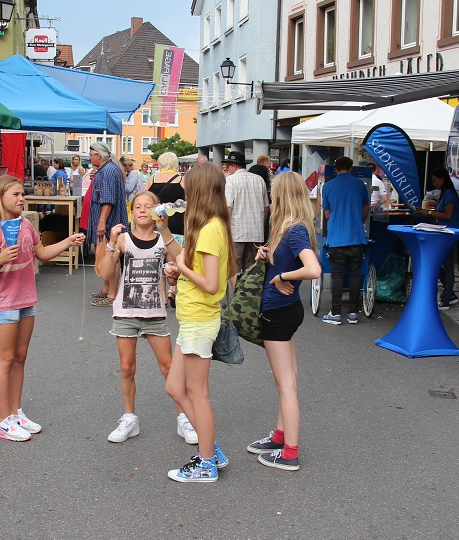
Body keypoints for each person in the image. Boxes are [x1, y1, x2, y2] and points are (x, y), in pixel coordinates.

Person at [0, 176, 86, 442]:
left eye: (21, 194)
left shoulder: (25, 225)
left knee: (20, 357)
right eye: (15, 195)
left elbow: (43, 253)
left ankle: (15, 412)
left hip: (26, 300)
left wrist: (68, 242)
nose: (21, 198)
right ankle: (2, 420)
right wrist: (0, 261)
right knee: (4, 359)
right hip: (3, 303)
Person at [101, 191, 197, 444]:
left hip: (155, 313)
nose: (143, 210)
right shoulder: (123, 240)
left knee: (169, 368)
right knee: (126, 367)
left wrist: (165, 232)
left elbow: (180, 259)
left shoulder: (162, 241)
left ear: (156, 211)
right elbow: (105, 272)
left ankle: (184, 418)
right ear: (132, 213)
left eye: (148, 206)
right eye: (138, 207)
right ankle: (129, 418)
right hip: (126, 312)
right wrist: (111, 243)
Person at [163, 162, 235, 483]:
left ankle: (206, 461)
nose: (184, 194)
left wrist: (180, 268)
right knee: (175, 387)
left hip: (198, 318)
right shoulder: (211, 225)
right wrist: (166, 233)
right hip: (192, 318)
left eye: (188, 189)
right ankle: (210, 450)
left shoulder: (210, 229)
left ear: (199, 191)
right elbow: (194, 266)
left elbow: (208, 284)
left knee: (197, 392)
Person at [248, 172, 321, 472]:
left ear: (282, 195)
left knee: (286, 384)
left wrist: (282, 276)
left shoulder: (293, 230)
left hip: (278, 313)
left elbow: (314, 269)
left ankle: (290, 451)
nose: (270, 198)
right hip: (286, 310)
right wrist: (267, 257)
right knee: (287, 380)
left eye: (273, 192)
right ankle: (280, 437)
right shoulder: (292, 228)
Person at [321, 156, 370, 325]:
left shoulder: (327, 186)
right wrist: (359, 220)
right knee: (355, 276)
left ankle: (335, 314)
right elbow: (366, 207)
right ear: (351, 168)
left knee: (336, 276)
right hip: (357, 237)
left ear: (336, 168)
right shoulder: (360, 185)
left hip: (336, 238)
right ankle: (353, 314)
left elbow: (327, 213)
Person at [87, 143, 129, 306]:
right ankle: (106, 289)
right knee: (108, 256)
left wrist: (101, 222)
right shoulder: (107, 170)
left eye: (91, 155)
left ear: (98, 155)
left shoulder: (108, 171)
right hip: (109, 221)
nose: (90, 158)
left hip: (109, 222)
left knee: (112, 256)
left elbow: (107, 199)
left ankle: (112, 294)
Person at [418, 168, 459, 309]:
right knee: (440, 264)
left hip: (448, 233)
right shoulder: (445, 193)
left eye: (435, 180)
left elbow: (448, 215)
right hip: (444, 232)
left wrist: (430, 213)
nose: (434, 183)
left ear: (442, 179)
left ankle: (446, 298)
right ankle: (449, 294)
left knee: (447, 265)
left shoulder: (448, 194)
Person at [223, 150, 269, 273]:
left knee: (234, 268)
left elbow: (228, 208)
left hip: (236, 232)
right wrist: (261, 225)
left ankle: (236, 292)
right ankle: (249, 292)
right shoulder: (259, 180)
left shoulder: (230, 181)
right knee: (252, 269)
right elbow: (266, 207)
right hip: (256, 232)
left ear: (233, 166)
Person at [145, 152, 186, 241]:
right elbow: (189, 202)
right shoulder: (181, 180)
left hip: (156, 220)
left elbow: (143, 197)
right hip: (176, 223)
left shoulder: (152, 179)